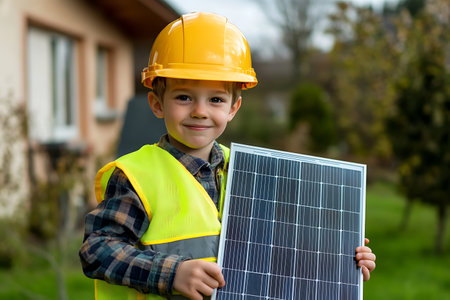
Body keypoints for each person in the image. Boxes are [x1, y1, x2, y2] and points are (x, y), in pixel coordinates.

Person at [79, 12, 376, 300]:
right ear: (157, 104)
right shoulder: (136, 177)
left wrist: (339, 265)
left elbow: (283, 250)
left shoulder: (249, 170)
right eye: (184, 97)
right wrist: (171, 274)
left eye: (216, 99)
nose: (200, 110)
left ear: (233, 108)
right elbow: (97, 250)